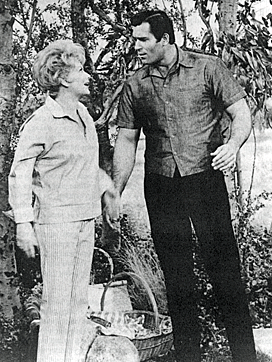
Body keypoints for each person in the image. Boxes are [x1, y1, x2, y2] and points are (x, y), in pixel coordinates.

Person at [110, 10, 257, 362]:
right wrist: (114, 189)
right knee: (177, 279)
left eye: (142, 39)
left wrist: (232, 146)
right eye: (134, 39)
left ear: (164, 39)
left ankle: (245, 357)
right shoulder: (135, 85)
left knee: (225, 273)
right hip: (162, 187)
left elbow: (241, 114)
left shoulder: (208, 68)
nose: (136, 46)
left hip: (205, 181)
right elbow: (127, 141)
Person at [8, 40, 115, 362]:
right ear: (64, 78)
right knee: (56, 309)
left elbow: (84, 164)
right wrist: (24, 225)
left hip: (84, 219)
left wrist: (107, 191)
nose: (88, 76)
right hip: (56, 224)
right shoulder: (41, 121)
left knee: (76, 306)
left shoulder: (82, 113)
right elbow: (19, 175)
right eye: (81, 70)